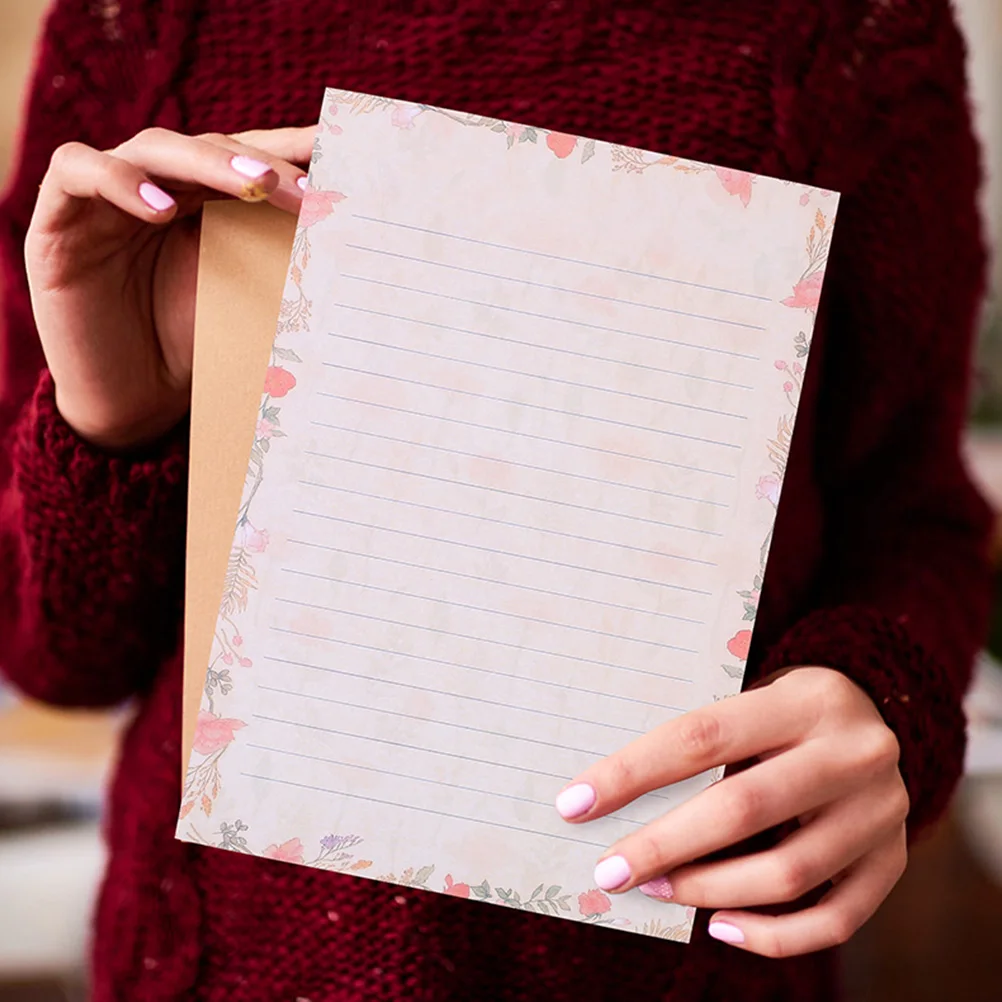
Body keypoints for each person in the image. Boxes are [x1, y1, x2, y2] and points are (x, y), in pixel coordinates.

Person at [0, 1, 993, 999]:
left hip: (678, 954)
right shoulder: (140, 21)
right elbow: (56, 656)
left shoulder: (850, 28)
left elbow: (913, 515)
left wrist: (880, 696)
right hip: (216, 961)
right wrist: (108, 424)